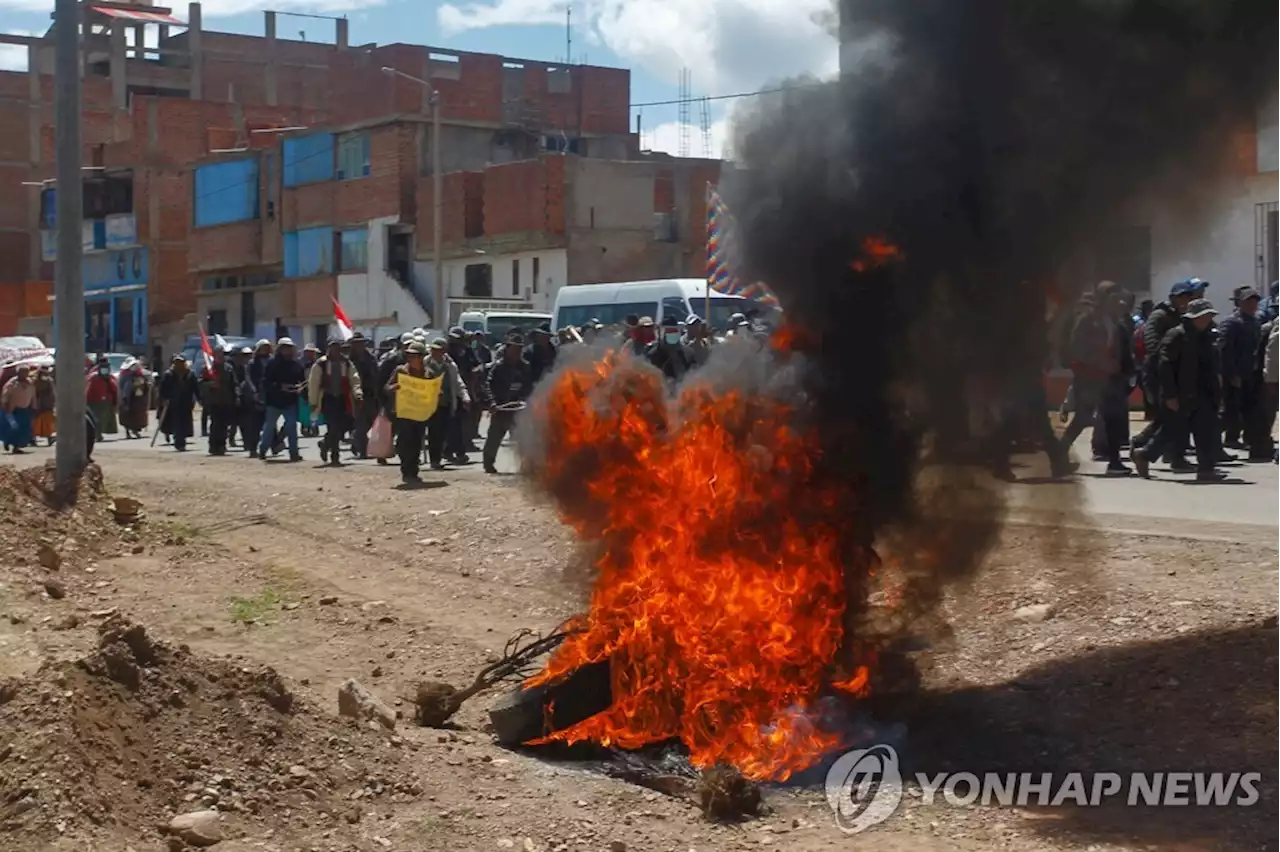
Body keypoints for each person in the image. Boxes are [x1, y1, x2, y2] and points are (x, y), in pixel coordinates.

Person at [1131, 299, 1225, 481]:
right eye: (1204, 316)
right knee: (1173, 429)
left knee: (1206, 429)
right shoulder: (1176, 336)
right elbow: (1164, 367)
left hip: (1204, 392)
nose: (1208, 320)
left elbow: (1212, 366)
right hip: (1182, 393)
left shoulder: (1207, 337)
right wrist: (1170, 395)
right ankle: (1144, 454)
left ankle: (1206, 469)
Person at [1057, 282, 1131, 475]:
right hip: (1090, 377)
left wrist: (1118, 365)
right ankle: (1058, 453)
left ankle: (1114, 462)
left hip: (1110, 378)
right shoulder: (1087, 320)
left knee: (1113, 418)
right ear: (1103, 298)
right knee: (1082, 419)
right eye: (1113, 297)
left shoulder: (1114, 320)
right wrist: (1102, 362)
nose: (1117, 300)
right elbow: (1079, 348)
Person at [1131, 279, 1203, 469]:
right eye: (1180, 297)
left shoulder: (1184, 317)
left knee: (1174, 417)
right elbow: (1151, 343)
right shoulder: (1159, 316)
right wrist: (1168, 357)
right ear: (1172, 297)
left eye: (1187, 297)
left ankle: (1171, 455)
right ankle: (1143, 446)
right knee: (1170, 417)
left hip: (1177, 374)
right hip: (1159, 372)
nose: (1184, 301)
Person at [1217, 286, 1267, 458]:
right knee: (1230, 409)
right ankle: (1221, 440)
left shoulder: (1255, 322)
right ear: (1241, 303)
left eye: (1255, 302)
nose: (1253, 305)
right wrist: (1230, 374)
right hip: (1236, 374)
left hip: (1251, 373)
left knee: (1250, 409)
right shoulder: (1231, 322)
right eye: (1249, 302)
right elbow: (1224, 350)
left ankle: (1247, 439)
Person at [481, 333, 533, 474]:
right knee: (494, 437)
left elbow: (529, 386)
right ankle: (488, 464)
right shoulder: (498, 367)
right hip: (501, 408)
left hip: (518, 409)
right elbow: (488, 385)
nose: (517, 352)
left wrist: (526, 401)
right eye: (514, 348)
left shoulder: (525, 367)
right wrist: (492, 403)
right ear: (507, 348)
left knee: (523, 439)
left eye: (519, 349)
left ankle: (527, 465)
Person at [308, 339, 363, 466]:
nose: (335, 350)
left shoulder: (347, 363)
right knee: (333, 427)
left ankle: (325, 444)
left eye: (338, 347)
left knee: (342, 427)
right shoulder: (321, 363)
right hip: (327, 399)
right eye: (333, 347)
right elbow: (314, 383)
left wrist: (358, 394)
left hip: (343, 399)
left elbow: (354, 380)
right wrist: (313, 401)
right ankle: (335, 456)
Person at [386, 341, 430, 484]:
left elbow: (433, 389)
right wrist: (394, 387)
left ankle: (413, 471)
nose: (411, 359)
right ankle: (406, 470)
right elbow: (386, 388)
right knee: (404, 443)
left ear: (422, 357)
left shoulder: (428, 374)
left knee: (416, 442)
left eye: (415, 356)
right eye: (409, 356)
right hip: (403, 412)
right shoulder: (400, 371)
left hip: (420, 413)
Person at [423, 337, 470, 470]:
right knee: (432, 433)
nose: (434, 352)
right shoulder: (424, 363)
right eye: (433, 349)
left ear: (443, 351)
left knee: (442, 433)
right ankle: (433, 460)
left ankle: (437, 459)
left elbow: (458, 383)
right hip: (428, 404)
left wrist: (465, 397)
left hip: (445, 404)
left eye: (438, 350)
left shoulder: (450, 366)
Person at [258, 337, 306, 462]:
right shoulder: (272, 363)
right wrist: (280, 386)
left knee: (291, 427)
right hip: (274, 401)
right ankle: (262, 450)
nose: (288, 350)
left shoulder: (296, 364)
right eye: (285, 348)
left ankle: (294, 453)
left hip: (290, 401)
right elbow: (266, 382)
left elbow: (302, 380)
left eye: (289, 348)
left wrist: (300, 388)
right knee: (269, 427)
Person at [447, 327, 484, 457]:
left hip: (466, 387)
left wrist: (477, 370)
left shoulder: (467, 350)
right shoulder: (445, 351)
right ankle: (450, 449)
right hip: (449, 389)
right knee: (450, 421)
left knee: (465, 418)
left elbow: (479, 364)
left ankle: (465, 443)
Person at [199, 346, 238, 456]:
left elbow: (234, 383)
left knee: (224, 425)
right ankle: (213, 446)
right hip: (213, 401)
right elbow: (201, 382)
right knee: (215, 424)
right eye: (218, 354)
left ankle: (222, 445)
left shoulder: (228, 368)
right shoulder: (208, 368)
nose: (220, 356)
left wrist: (237, 396)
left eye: (222, 354)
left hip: (226, 400)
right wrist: (209, 384)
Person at [157, 355, 200, 452]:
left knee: (185, 423)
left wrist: (199, 399)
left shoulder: (190, 374)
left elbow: (196, 388)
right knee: (177, 423)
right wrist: (163, 399)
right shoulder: (168, 374)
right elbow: (162, 389)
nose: (179, 364)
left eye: (181, 362)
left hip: (186, 402)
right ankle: (179, 442)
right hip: (173, 403)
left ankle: (182, 440)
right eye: (176, 362)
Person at [347, 333, 379, 460]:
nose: (359, 345)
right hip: (356, 394)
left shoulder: (371, 358)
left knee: (372, 422)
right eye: (356, 343)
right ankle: (363, 451)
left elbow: (377, 373)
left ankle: (355, 438)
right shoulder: (349, 360)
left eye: (361, 343)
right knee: (360, 422)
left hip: (371, 394)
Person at [244, 340, 272, 457]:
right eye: (263, 348)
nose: (265, 350)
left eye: (267, 348)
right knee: (255, 424)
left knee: (270, 422)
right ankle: (252, 448)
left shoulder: (272, 361)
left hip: (269, 395)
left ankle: (274, 445)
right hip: (255, 396)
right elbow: (248, 378)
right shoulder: (252, 363)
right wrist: (254, 391)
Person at [1, 365, 36, 454]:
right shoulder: (12, 383)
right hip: (13, 409)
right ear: (18, 373)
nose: (25, 374)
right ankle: (9, 442)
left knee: (23, 429)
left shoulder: (30, 383)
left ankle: (16, 446)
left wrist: (34, 406)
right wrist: (5, 406)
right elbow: (5, 395)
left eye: (26, 372)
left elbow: (33, 396)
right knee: (14, 428)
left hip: (25, 409)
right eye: (23, 372)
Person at [647, 315, 693, 383]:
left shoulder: (688, 353)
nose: (669, 335)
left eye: (672, 331)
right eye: (666, 332)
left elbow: (693, 376)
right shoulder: (653, 355)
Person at [85, 357, 119, 442]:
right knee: (97, 419)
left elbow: (113, 387)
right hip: (97, 401)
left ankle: (98, 434)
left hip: (102, 401)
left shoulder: (95, 375)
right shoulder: (94, 376)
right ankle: (97, 434)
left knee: (99, 419)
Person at [118, 359, 151, 439]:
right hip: (128, 398)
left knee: (137, 417)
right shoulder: (125, 376)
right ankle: (128, 432)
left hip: (138, 399)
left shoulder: (140, 375)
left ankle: (135, 430)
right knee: (127, 416)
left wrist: (147, 385)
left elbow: (144, 386)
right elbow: (124, 388)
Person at [31, 366, 55, 446]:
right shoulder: (35, 381)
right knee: (38, 422)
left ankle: (47, 438)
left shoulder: (36, 381)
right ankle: (35, 439)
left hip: (43, 404)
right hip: (40, 404)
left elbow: (52, 393)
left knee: (45, 422)